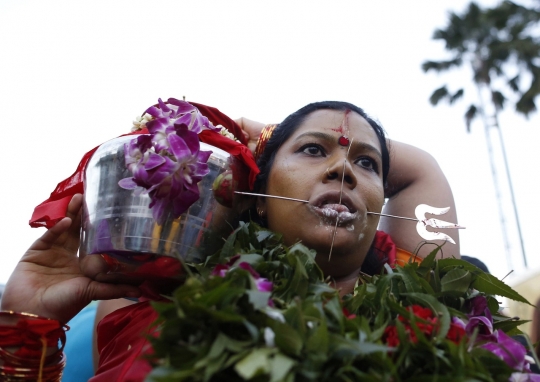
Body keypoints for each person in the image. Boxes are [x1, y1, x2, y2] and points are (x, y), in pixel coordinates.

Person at [0, 101, 460, 380]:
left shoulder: (424, 305)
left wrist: (266, 134)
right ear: (257, 198)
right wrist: (25, 329)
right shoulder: (163, 297)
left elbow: (422, 168)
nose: (344, 170)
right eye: (314, 150)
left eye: (368, 163)